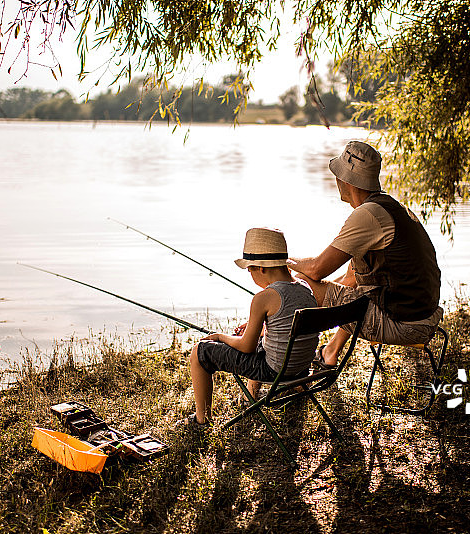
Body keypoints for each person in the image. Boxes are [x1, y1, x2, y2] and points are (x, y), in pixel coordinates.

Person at [288, 141, 443, 368]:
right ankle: (329, 352)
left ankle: (288, 365)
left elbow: (316, 269)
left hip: (406, 325)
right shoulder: (390, 207)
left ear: (344, 181)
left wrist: (281, 261)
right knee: (351, 290)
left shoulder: (368, 215)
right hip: (424, 317)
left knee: (300, 284)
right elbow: (349, 281)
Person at [181, 227, 319, 427]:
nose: (250, 274)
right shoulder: (306, 289)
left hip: (274, 370)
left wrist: (220, 337)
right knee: (259, 342)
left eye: (249, 270)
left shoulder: (263, 298)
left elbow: (246, 347)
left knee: (200, 352)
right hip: (301, 369)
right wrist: (262, 325)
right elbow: (286, 326)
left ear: (261, 268)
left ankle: (201, 421)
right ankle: (250, 397)